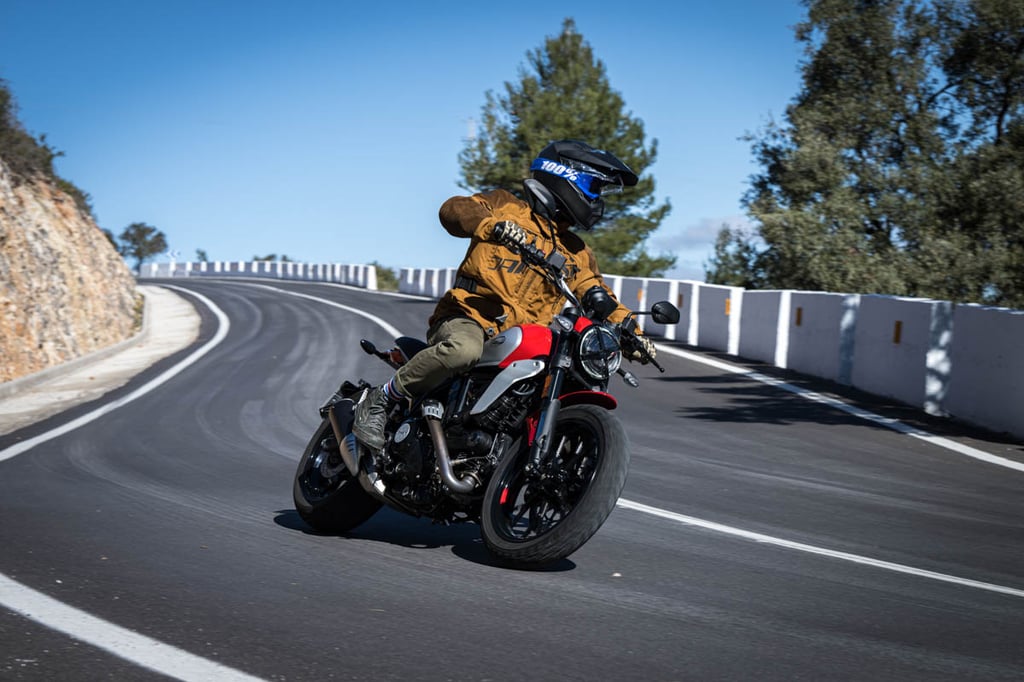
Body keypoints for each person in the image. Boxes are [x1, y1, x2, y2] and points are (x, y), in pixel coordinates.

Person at [353, 139, 656, 450]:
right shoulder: (506, 207)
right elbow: (453, 210)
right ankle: (381, 400)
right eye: (594, 187)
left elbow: (598, 293)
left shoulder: (576, 253)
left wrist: (633, 333)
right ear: (566, 176)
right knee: (462, 350)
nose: (597, 200)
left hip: (522, 339)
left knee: (554, 379)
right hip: (468, 317)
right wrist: (491, 226)